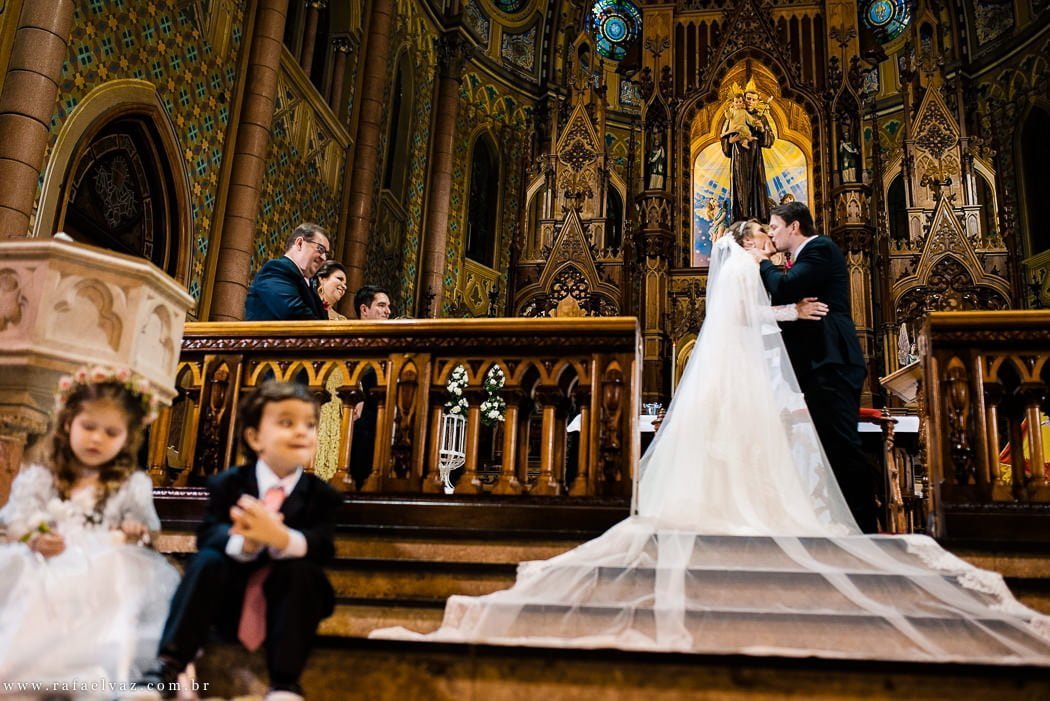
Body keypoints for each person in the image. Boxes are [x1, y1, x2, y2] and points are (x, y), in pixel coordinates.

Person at [370, 224, 1050, 664]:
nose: (769, 244)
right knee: (754, 447)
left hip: (741, 374)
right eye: (761, 237)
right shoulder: (748, 268)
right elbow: (756, 311)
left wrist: (786, 305)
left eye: (771, 235)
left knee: (735, 447)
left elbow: (751, 311)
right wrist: (791, 306)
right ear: (748, 240)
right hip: (750, 373)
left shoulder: (746, 267)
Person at [141, 381, 342, 700]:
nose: (301, 432)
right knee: (208, 560)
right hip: (226, 598)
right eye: (287, 422)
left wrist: (281, 538)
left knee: (303, 572)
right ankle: (167, 666)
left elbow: (323, 547)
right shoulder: (229, 484)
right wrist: (244, 543)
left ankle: (285, 683)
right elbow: (208, 534)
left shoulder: (322, 496)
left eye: (310, 425)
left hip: (287, 604)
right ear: (254, 437)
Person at [0, 365, 179, 684]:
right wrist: (34, 538)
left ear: (128, 437)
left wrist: (134, 529)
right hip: (45, 558)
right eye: (88, 426)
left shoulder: (132, 484)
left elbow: (146, 527)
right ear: (68, 422)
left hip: (101, 562)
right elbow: (15, 518)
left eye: (111, 433)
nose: (97, 438)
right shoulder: (42, 476)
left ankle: (94, 668)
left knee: (119, 569)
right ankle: (24, 667)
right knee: (22, 569)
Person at [750, 200, 877, 533]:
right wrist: (792, 310)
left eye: (774, 227)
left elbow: (785, 286)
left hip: (832, 361)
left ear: (794, 226)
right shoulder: (801, 259)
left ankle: (863, 528)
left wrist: (763, 262)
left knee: (842, 446)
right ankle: (847, 523)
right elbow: (784, 300)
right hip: (818, 364)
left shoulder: (820, 248)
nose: (771, 234)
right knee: (832, 448)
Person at [349, 286, 392, 488]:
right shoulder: (350, 338)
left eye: (388, 306)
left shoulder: (387, 341)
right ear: (364, 310)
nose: (387, 311)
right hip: (357, 418)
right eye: (381, 305)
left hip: (381, 417)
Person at [244, 223, 330, 321]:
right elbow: (292, 311)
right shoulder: (275, 269)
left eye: (326, 254)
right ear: (299, 243)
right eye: (320, 249)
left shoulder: (310, 285)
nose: (324, 258)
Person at [720, 81, 774, 222]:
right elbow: (725, 137)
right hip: (739, 156)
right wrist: (730, 141)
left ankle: (758, 218)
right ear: (743, 99)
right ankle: (740, 218)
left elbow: (769, 141)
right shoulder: (734, 114)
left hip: (755, 156)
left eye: (753, 99)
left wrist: (762, 129)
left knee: (757, 185)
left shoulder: (761, 117)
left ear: (757, 102)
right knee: (740, 186)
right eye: (748, 98)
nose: (750, 101)